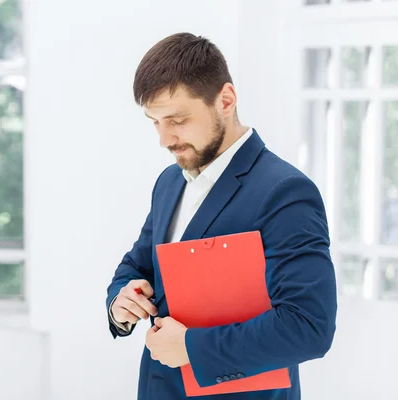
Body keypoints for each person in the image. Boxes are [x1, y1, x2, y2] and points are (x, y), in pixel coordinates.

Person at [105, 32, 337, 400]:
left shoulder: (286, 192)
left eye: (177, 120)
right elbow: (138, 265)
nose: (164, 140)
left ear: (225, 100)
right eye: (155, 122)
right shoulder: (169, 181)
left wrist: (192, 348)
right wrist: (122, 300)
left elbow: (308, 327)